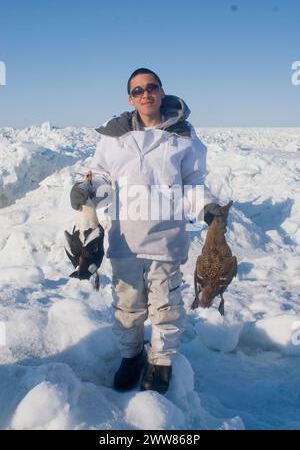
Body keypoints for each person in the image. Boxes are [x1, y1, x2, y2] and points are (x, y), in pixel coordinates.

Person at [70, 68, 225, 394]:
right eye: (138, 90)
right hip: (125, 241)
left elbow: (192, 184)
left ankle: (162, 361)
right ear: (130, 98)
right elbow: (100, 177)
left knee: (166, 307)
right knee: (127, 306)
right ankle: (131, 356)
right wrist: (87, 191)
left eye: (151, 87)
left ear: (161, 91)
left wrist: (207, 207)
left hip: (166, 242)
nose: (145, 94)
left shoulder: (182, 136)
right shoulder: (114, 137)